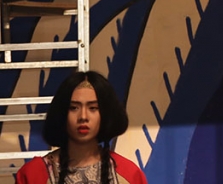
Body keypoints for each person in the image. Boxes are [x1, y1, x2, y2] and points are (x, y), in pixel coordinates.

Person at [16, 70, 146, 184]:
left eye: (93, 108)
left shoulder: (129, 174)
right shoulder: (33, 175)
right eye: (74, 108)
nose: (83, 116)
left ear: (105, 114)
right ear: (61, 113)